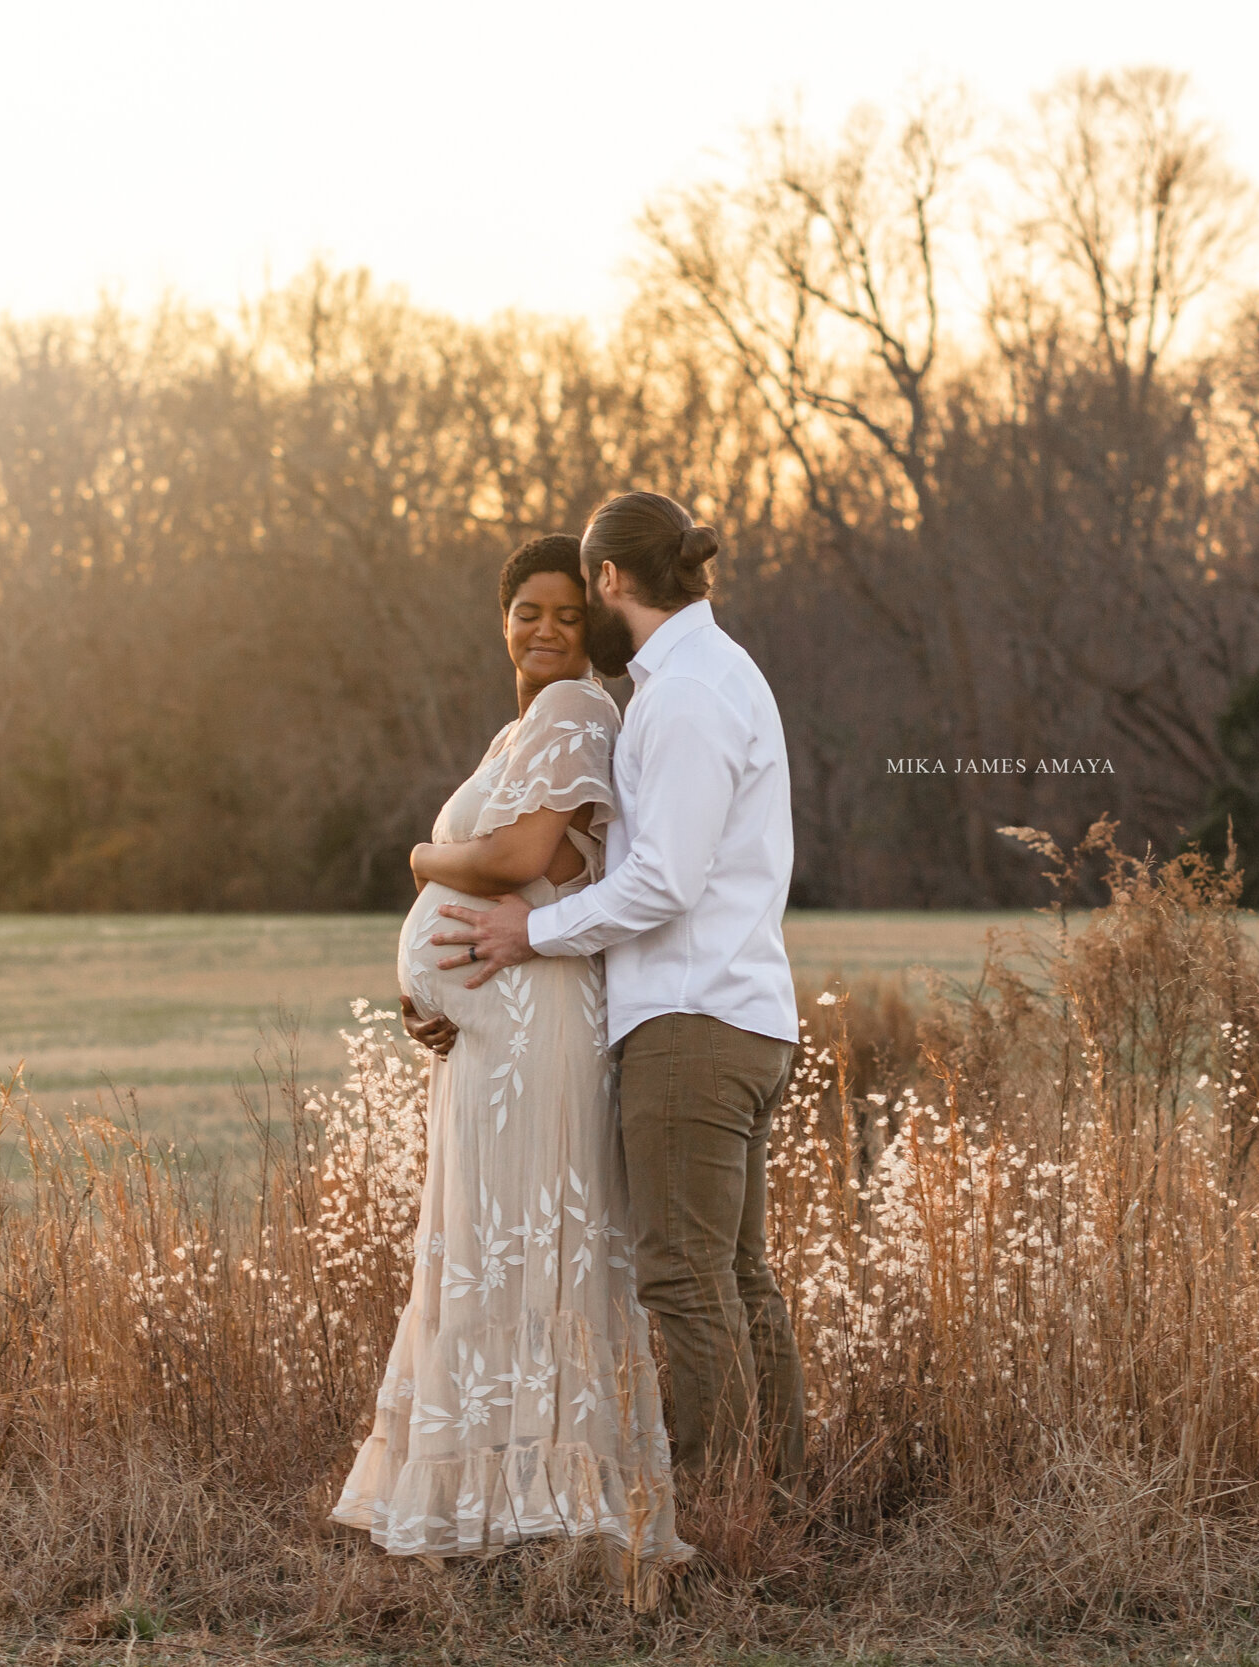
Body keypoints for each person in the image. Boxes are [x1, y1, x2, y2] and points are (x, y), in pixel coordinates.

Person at [428, 491, 806, 1505]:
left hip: (692, 1022)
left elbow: (664, 881)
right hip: (727, 1011)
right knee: (735, 1277)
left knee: (685, 1281)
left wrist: (527, 930)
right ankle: (776, 1499)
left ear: (606, 579)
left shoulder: (683, 695)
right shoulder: (704, 676)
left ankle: (708, 1506)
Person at [330, 534, 691, 1590]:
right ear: (501, 618)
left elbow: (519, 861)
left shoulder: (578, 710)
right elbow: (499, 887)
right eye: (525, 609)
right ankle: (493, 1498)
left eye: (566, 614)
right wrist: (421, 985)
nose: (543, 628)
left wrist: (417, 859)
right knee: (486, 1245)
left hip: (537, 1029)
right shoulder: (518, 728)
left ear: (594, 629)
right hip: (488, 1032)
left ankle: (557, 1506)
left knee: (534, 1245)